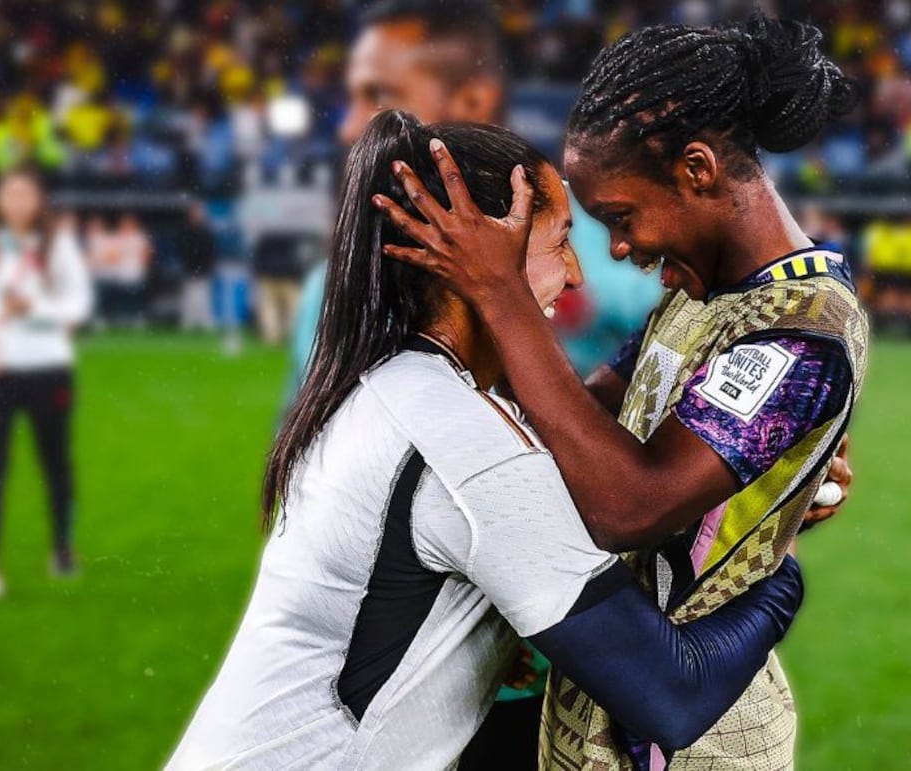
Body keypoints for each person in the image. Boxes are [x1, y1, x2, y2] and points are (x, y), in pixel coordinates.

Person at [167, 112, 806, 771]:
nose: (578, 274)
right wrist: (777, 571)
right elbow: (673, 694)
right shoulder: (462, 441)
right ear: (482, 255)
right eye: (559, 241)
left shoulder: (391, 388)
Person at [377, 13, 869, 770]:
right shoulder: (699, 295)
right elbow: (572, 425)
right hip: (600, 719)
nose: (617, 248)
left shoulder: (801, 331)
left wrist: (502, 295)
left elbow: (626, 504)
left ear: (698, 170)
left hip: (695, 739)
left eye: (619, 216)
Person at [0, 167, 93, 599]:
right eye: (9, 192)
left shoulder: (60, 245)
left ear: (38, 199)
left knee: (55, 464)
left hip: (48, 368)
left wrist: (32, 309)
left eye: (25, 192)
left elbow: (79, 304)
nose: (16, 200)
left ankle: (63, 550)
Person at [177, 201, 218, 332]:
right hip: (189, 266)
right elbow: (183, 249)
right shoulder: (185, 230)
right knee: (189, 296)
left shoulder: (206, 231)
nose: (196, 216)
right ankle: (188, 322)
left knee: (204, 296)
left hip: (204, 267)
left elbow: (210, 251)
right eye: (194, 213)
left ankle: (205, 322)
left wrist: (207, 266)